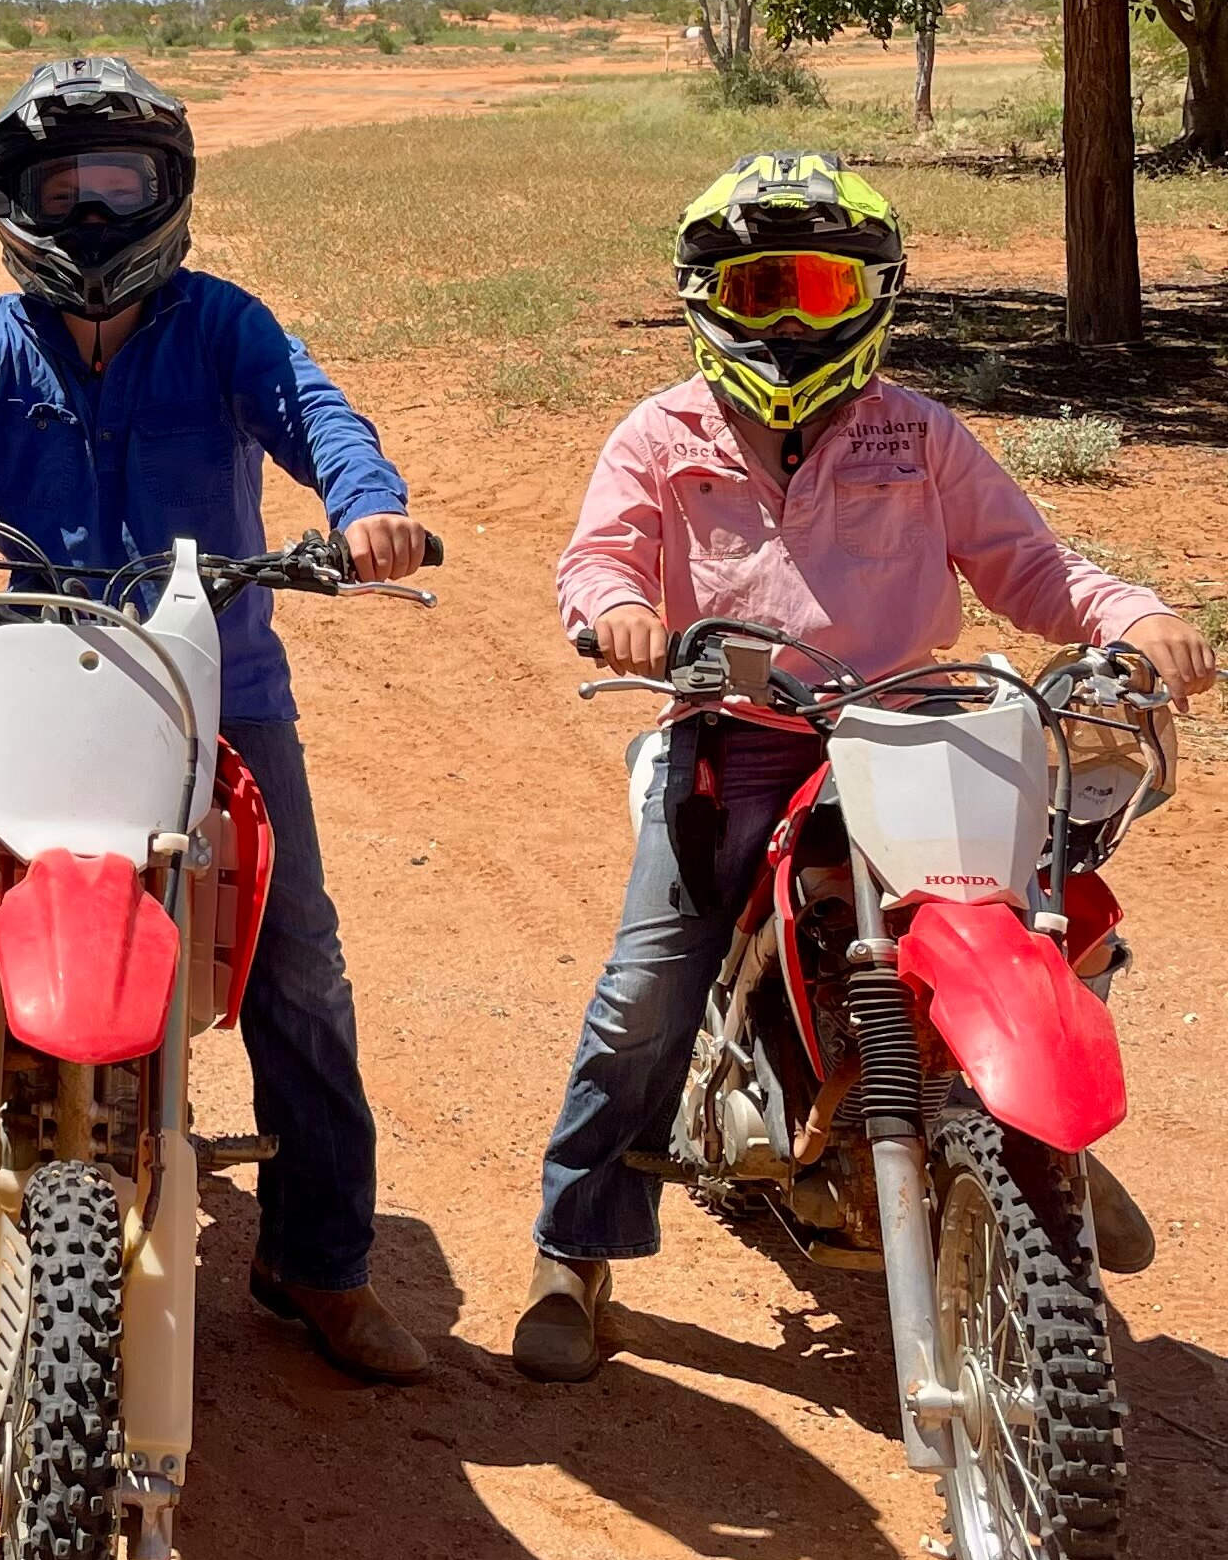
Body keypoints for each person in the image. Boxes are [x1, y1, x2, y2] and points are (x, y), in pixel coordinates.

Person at [0, 53, 440, 1386]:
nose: (90, 212)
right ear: (17, 201)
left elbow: (319, 417)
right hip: (37, 661)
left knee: (300, 966)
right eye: (60, 187)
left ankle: (321, 1262)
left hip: (212, 686)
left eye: (116, 183)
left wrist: (365, 506)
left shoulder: (226, 326)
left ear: (167, 193)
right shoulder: (0, 342)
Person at [514, 149, 1215, 1382]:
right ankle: (574, 1250)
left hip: (910, 724)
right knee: (647, 986)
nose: (789, 319)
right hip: (737, 733)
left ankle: (1034, 1137)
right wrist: (622, 608)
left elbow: (1030, 568)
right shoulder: (661, 434)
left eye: (824, 292)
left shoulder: (918, 434)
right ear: (705, 296)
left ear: (875, 298)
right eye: (762, 287)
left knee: (1042, 916)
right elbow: (599, 558)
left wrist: (1128, 611)